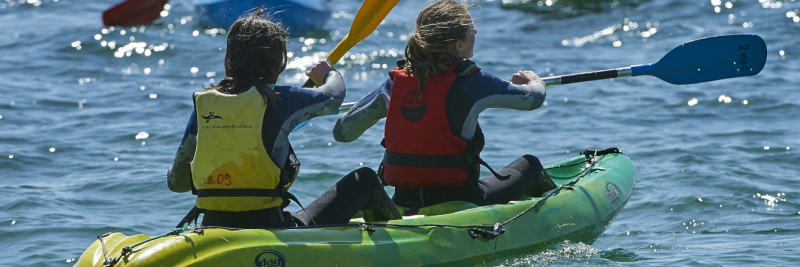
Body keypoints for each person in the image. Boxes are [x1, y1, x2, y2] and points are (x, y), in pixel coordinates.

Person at [167, 12, 401, 229]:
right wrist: (328, 74)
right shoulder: (281, 100)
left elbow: (177, 183)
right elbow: (334, 96)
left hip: (213, 225)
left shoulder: (204, 105)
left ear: (230, 57)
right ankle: (407, 239)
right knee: (365, 179)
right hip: (270, 226)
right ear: (278, 60)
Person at [332, 0, 557, 211]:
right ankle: (555, 215)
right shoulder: (473, 81)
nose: (475, 32)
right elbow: (533, 100)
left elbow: (343, 133)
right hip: (462, 201)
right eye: (471, 29)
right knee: (530, 165)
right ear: (458, 45)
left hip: (402, 200)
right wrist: (534, 81)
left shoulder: (394, 84)